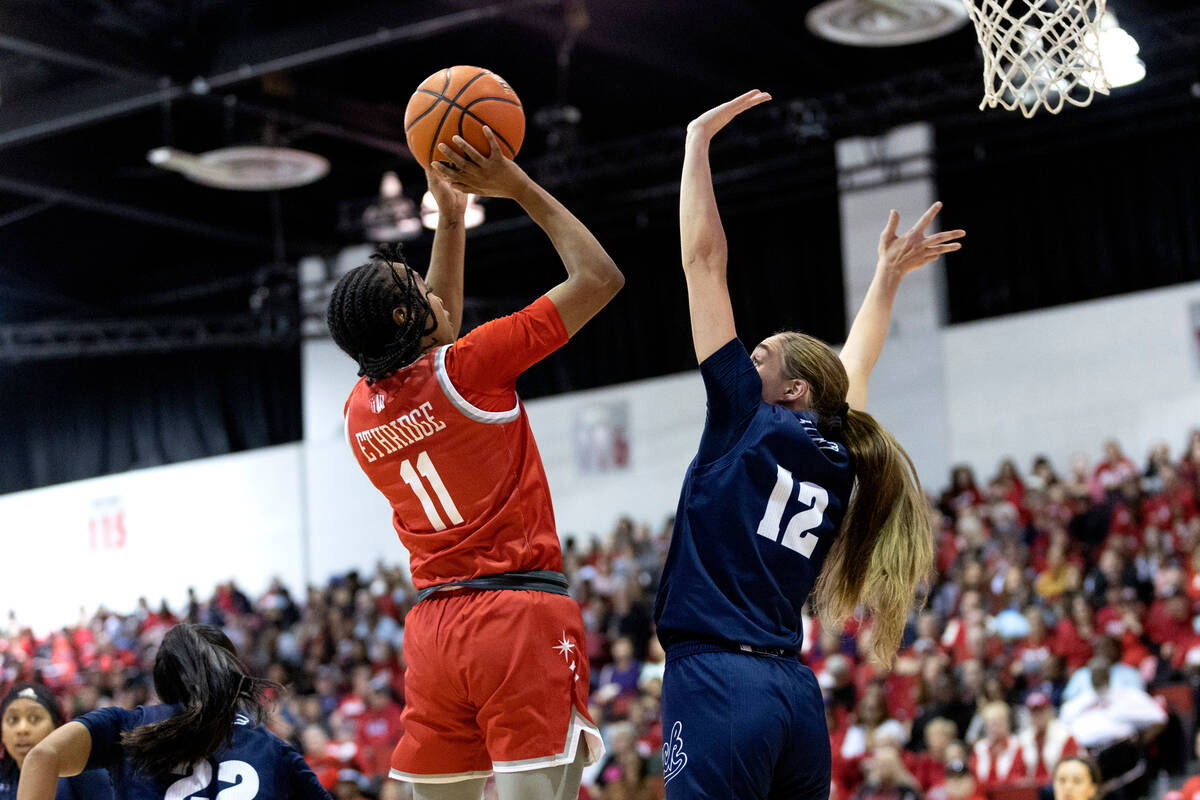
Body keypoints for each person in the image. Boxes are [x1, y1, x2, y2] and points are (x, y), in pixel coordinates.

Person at [653, 90, 963, 799]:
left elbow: (704, 262)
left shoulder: (743, 414)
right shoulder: (844, 448)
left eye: (760, 355)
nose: (746, 359)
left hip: (719, 683)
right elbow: (858, 364)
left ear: (791, 390)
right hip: (793, 695)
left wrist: (696, 142)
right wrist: (884, 279)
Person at [327, 131, 623, 800]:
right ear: (408, 314)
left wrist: (451, 219)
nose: (439, 299)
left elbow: (433, 330)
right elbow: (600, 278)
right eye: (420, 294)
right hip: (518, 616)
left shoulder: (357, 411)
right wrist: (516, 186)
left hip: (433, 633)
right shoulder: (471, 367)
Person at [16, 623, 329, 800]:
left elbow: (42, 757)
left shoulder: (127, 725)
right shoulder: (272, 748)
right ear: (231, 674)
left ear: (162, 680)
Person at [0, 683, 112, 800]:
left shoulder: (82, 772)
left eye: (35, 718)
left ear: (57, 727)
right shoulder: (3, 775)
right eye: (13, 719)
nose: (22, 729)